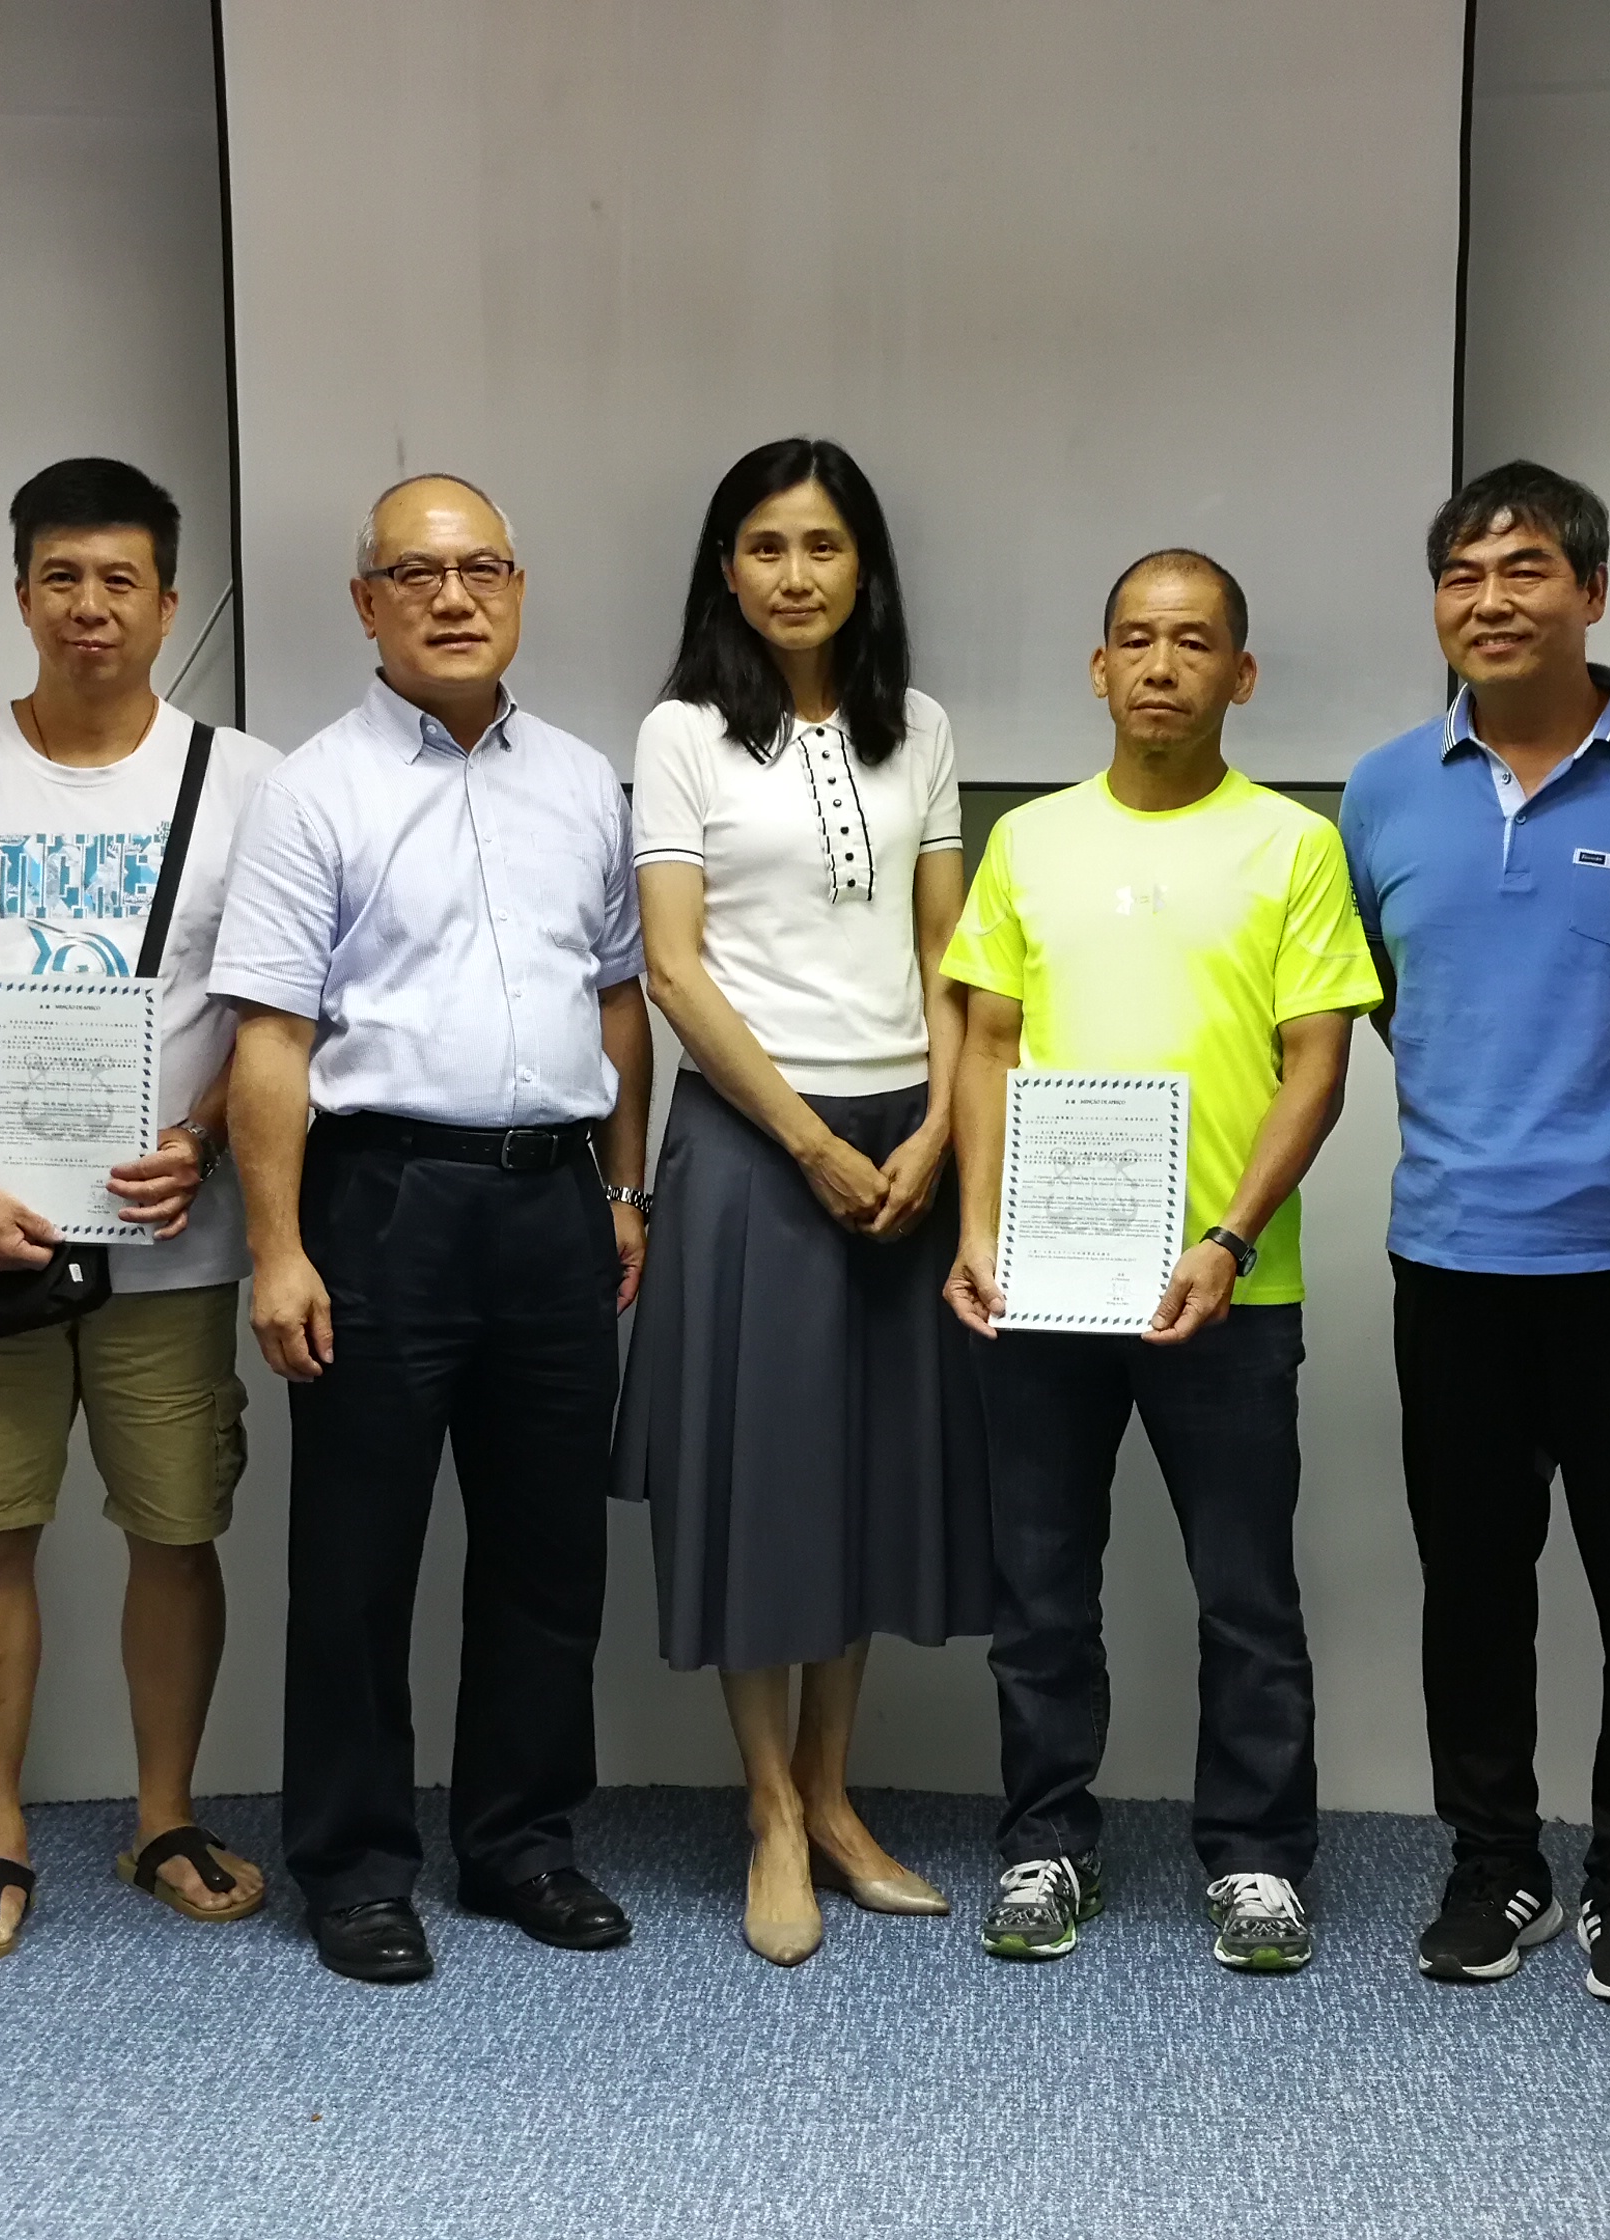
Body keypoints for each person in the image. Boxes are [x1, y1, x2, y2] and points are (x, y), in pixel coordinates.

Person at [1341, 461, 1610, 2007]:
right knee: (1473, 1588)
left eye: (1524, 569)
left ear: (1592, 592)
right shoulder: (1384, 789)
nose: (1491, 600)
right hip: (1454, 1258)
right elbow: (1398, 1002)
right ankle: (1496, 1866)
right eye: (1461, 575)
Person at [212, 473, 655, 1986]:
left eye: (481, 571)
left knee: (548, 1551)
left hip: (552, 1203)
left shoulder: (583, 783)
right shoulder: (312, 791)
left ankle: (523, 1843)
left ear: (518, 590)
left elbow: (617, 1000)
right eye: (415, 574)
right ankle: (353, 1867)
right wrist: (279, 1247)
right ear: (366, 604)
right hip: (381, 1204)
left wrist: (623, 1188)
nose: (453, 598)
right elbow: (271, 1036)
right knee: (356, 1559)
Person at [0, 458, 284, 1963]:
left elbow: (273, 1006)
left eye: (119, 581)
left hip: (173, 1236)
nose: (89, 608)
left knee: (176, 1529)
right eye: (61, 579)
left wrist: (202, 1139)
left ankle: (164, 1815)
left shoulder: (249, 781)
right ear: (22, 594)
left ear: (167, 602)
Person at [939, 549, 1382, 1975]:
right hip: (1046, 1287)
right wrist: (977, 1230)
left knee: (1247, 1596)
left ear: (1239, 675)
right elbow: (987, 1045)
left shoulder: (1293, 846)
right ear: (1098, 667)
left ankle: (1257, 1861)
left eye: (1194, 643)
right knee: (1040, 1593)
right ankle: (1045, 1845)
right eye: (1135, 639)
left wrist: (1230, 1236)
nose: (1161, 665)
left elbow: (1320, 1062)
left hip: (1229, 1291)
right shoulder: (1030, 843)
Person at [615, 437, 988, 1967]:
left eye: (822, 545)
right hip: (755, 1147)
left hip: (905, 1143)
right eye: (765, 546)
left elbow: (951, 952)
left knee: (866, 1484)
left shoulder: (923, 730)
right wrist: (812, 1144)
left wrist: (940, 1128)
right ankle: (769, 1808)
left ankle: (835, 1797)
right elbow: (672, 969)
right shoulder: (684, 733)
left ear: (863, 566)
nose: (794, 574)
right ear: (726, 568)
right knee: (759, 1483)